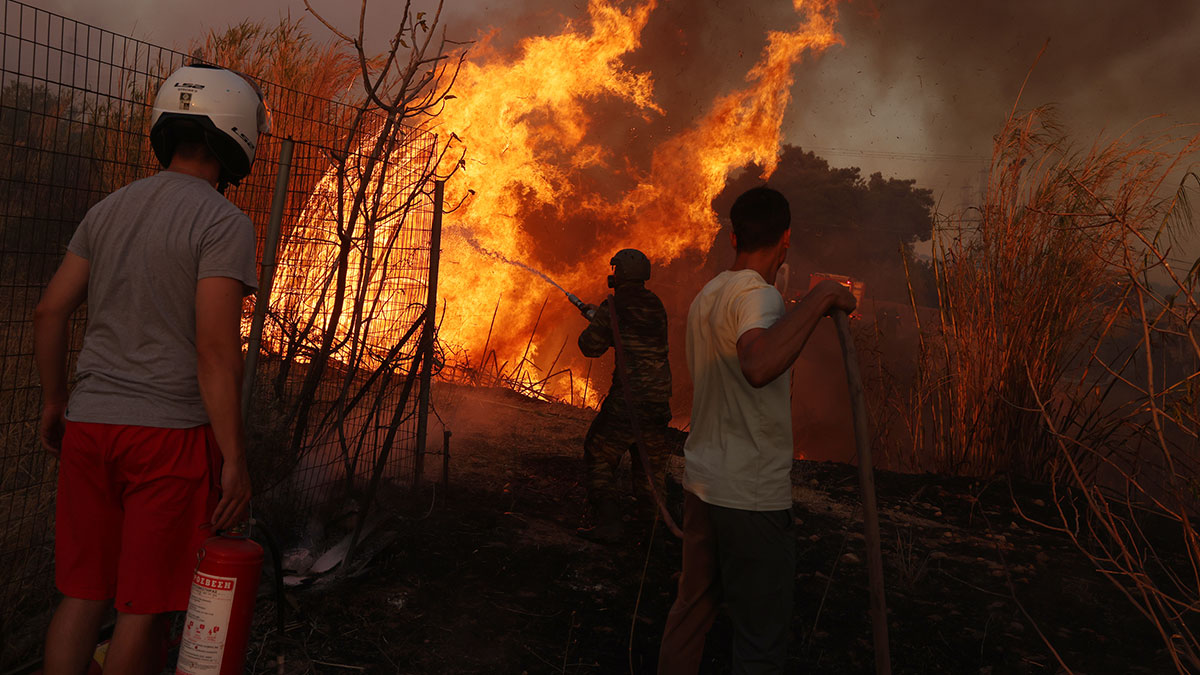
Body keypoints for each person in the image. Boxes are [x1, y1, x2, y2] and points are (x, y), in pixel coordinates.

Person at [34, 64, 269, 674]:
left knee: (83, 593)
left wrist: (55, 400)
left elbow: (49, 310)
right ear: (239, 136)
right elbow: (216, 352)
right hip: (168, 439)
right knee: (145, 605)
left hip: (89, 428)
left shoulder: (109, 210)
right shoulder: (223, 223)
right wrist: (235, 459)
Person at [657, 186, 857, 674]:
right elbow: (758, 362)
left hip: (703, 484)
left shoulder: (709, 295)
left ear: (733, 237)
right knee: (760, 639)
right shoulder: (758, 295)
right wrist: (822, 296)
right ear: (786, 238)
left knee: (690, 614)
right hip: (749, 498)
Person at [576, 249, 673, 544]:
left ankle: (609, 523)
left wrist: (597, 321)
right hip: (658, 400)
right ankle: (655, 529)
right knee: (651, 466)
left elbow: (590, 347)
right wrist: (603, 318)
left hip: (628, 400)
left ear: (621, 274)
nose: (613, 274)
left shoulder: (613, 306)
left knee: (599, 452)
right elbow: (633, 335)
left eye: (615, 269)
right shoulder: (656, 305)